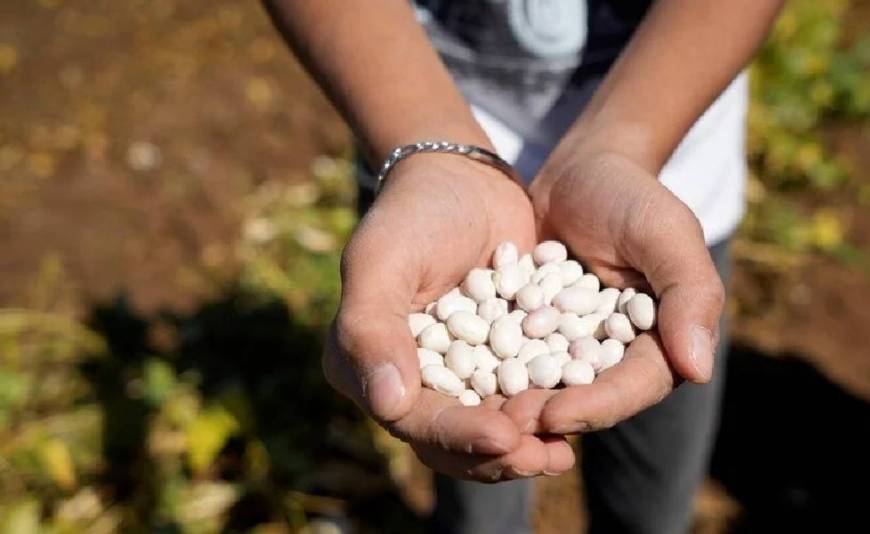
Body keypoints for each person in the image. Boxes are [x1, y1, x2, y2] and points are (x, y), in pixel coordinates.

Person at [264, 1, 783, 532]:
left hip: (659, 188)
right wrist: (426, 149)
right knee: (480, 477)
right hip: (420, 168)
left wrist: (622, 146)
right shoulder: (467, 282)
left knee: (652, 495)